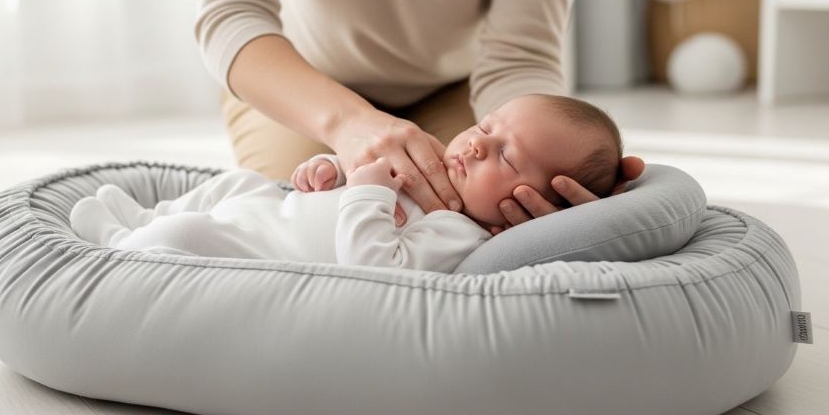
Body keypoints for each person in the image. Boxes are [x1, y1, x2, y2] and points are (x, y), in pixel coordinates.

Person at [195, 0, 645, 234]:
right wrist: (349, 123)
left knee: (486, 230)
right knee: (294, 220)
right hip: (303, 80)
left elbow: (518, 56)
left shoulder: (485, 136)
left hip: (460, 88)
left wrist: (563, 175)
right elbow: (232, 11)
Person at [69, 94, 623, 273]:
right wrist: (329, 172)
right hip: (276, 196)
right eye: (484, 126)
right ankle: (143, 219)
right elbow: (336, 192)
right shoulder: (432, 164)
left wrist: (365, 190)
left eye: (505, 153)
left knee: (187, 234)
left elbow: (373, 267)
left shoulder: (460, 237)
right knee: (240, 181)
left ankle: (123, 245)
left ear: (529, 206)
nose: (475, 144)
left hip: (256, 248)